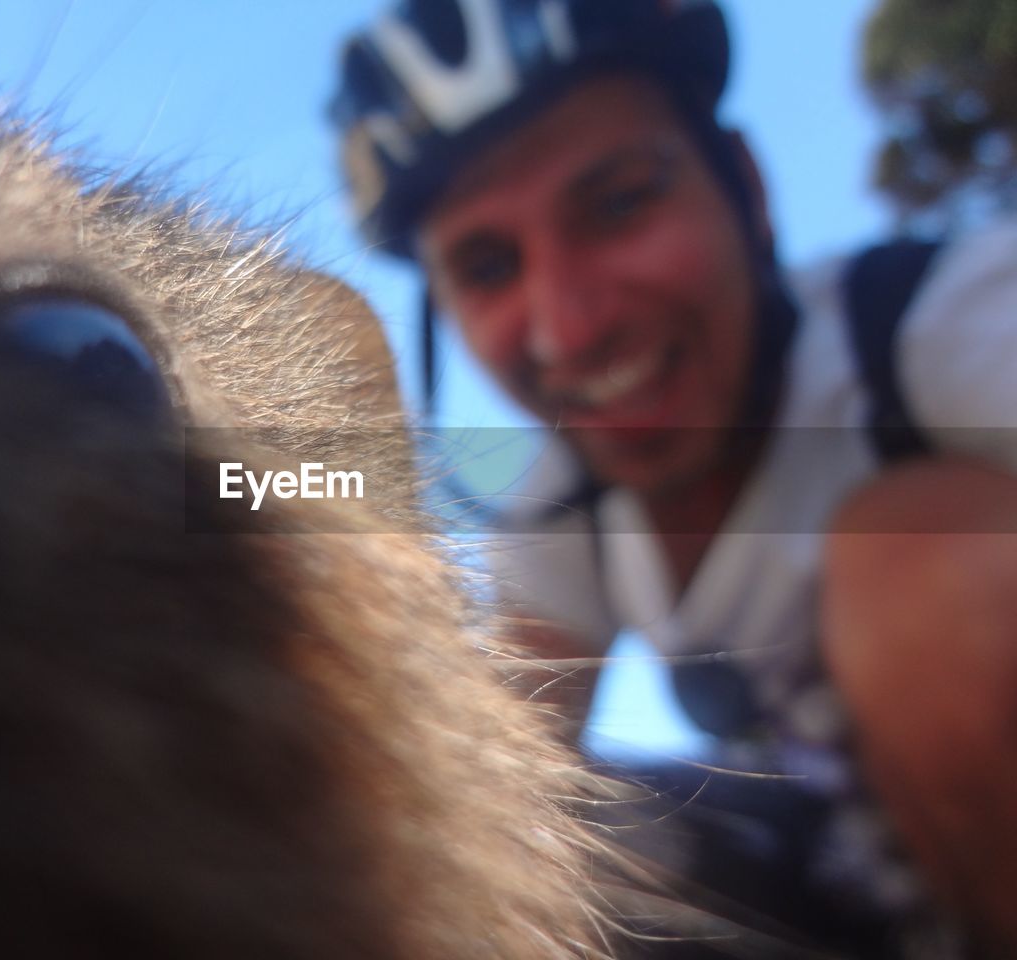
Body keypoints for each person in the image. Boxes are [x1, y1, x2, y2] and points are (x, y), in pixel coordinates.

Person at [329, 1, 1017, 956]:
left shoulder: (943, 328)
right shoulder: (559, 511)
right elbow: (502, 763)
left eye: (618, 201)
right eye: (488, 265)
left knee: (922, 564)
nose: (569, 329)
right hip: (837, 897)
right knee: (533, 831)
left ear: (747, 184)